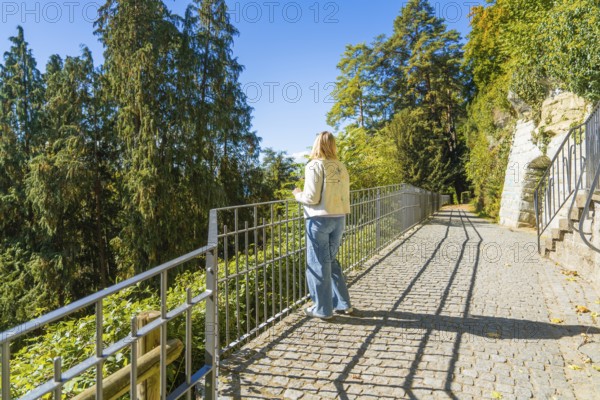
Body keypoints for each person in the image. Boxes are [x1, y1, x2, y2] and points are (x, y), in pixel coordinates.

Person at [293, 131, 353, 319]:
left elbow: (311, 198)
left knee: (318, 264)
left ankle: (322, 309)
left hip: (318, 219)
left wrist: (297, 194)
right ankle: (343, 305)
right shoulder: (341, 166)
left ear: (316, 145)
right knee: (330, 261)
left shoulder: (314, 166)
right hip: (339, 218)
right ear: (333, 145)